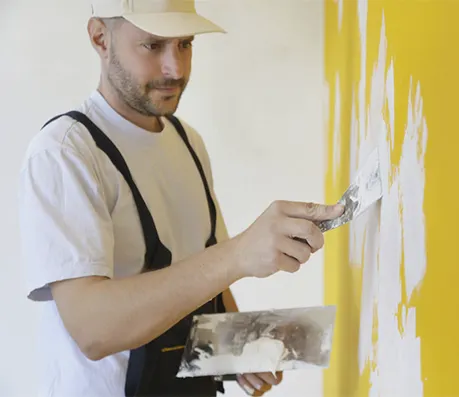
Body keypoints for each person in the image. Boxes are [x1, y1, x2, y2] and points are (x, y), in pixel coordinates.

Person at [17, 1, 344, 396]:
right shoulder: (67, 153)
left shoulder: (187, 142)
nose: (176, 69)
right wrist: (240, 253)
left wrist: (241, 349)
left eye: (185, 44)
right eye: (153, 46)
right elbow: (93, 330)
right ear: (100, 38)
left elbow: (209, 276)